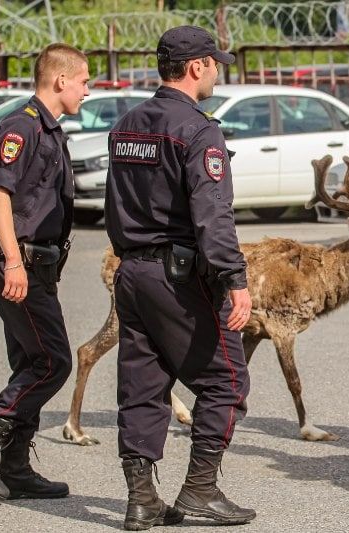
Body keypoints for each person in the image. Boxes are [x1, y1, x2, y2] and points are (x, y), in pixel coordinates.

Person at [104, 25, 254, 531]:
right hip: (179, 276)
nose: (218, 71)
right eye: (216, 63)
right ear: (196, 67)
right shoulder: (199, 129)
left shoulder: (126, 124)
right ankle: (200, 489)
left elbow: (113, 205)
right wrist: (235, 279)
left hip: (132, 271)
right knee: (227, 379)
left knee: (142, 383)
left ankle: (141, 498)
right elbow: (213, 214)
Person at [0, 44, 89, 501]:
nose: (87, 91)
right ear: (60, 80)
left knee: (30, 362)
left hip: (38, 266)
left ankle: (14, 466)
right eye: (84, 81)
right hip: (19, 266)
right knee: (54, 361)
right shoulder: (21, 127)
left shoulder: (50, 131)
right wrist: (12, 260)